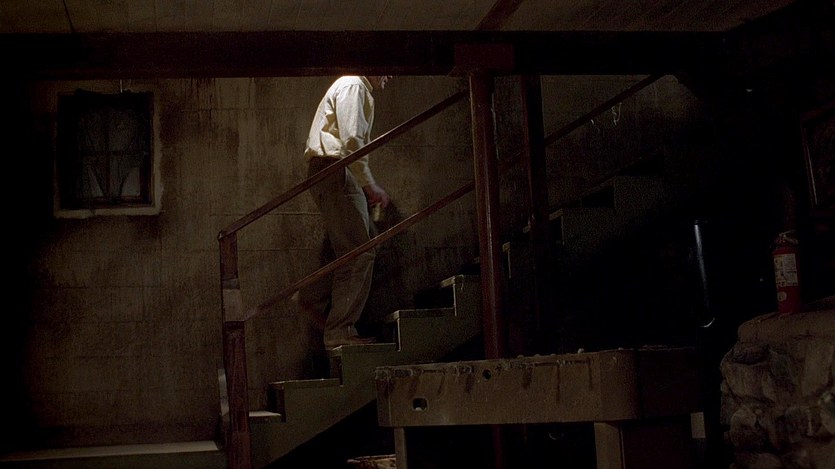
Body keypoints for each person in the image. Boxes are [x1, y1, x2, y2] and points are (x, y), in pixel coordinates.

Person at [300, 75, 392, 349]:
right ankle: (338, 328)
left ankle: (314, 297)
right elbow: (352, 139)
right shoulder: (354, 85)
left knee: (356, 246)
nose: (390, 75)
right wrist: (369, 184)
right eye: (386, 68)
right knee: (359, 251)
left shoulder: (354, 86)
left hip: (333, 169)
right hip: (335, 168)